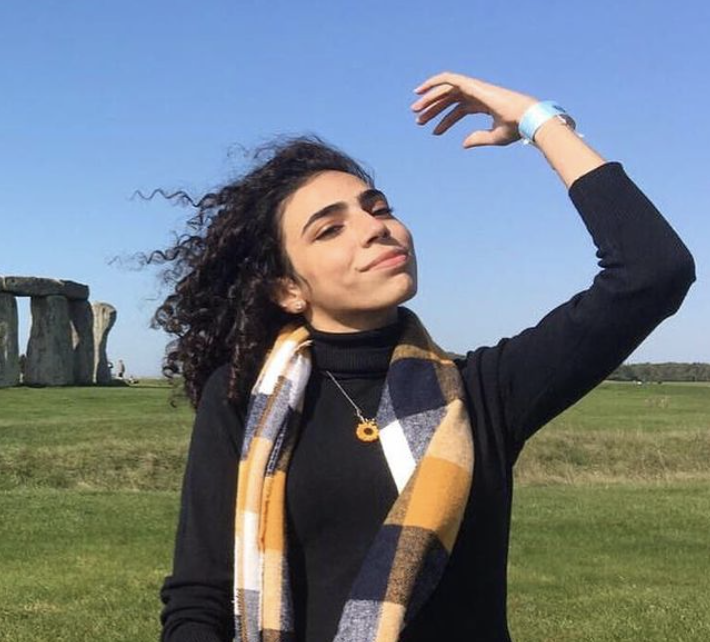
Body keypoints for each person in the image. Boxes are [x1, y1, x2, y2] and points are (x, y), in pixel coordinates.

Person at [151, 72, 696, 642]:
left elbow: (652, 271)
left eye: (378, 208)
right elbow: (201, 596)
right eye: (331, 229)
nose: (375, 229)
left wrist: (539, 119)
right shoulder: (241, 397)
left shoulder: (483, 392)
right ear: (288, 288)